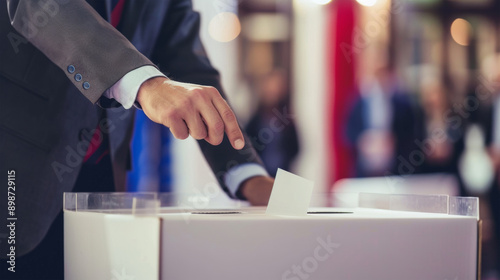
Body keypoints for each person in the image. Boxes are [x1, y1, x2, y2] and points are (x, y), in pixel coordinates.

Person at [0, 0, 274, 278]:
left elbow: (187, 62)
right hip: (17, 171)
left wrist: (245, 173)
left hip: (99, 185)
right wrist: (147, 83)